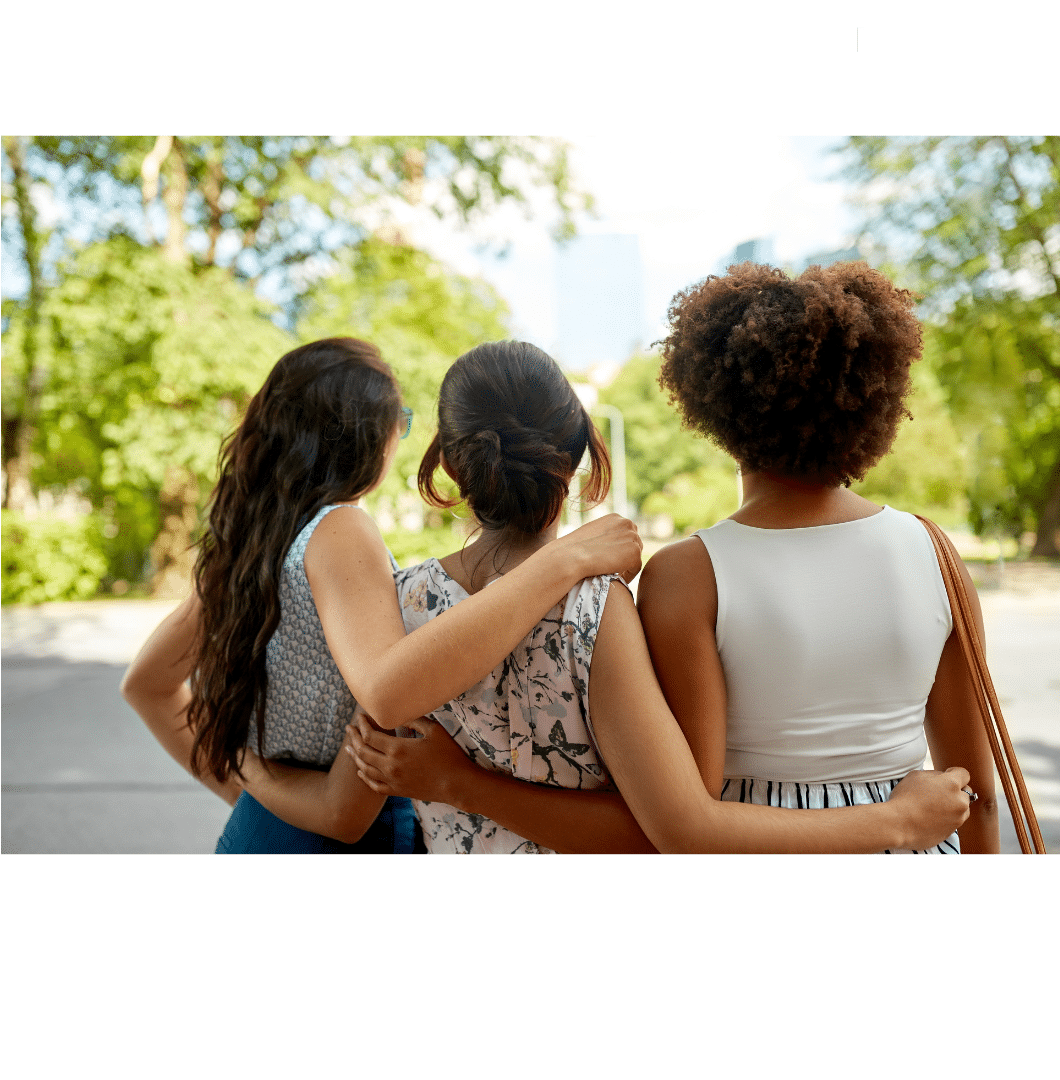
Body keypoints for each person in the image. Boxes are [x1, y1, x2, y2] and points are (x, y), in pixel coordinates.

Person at [261, 340, 973, 854]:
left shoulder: (403, 602)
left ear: (449, 464)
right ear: (577, 460)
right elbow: (664, 830)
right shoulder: (595, 613)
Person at [120, 337, 642, 854]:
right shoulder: (342, 531)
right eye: (403, 420)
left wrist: (248, 778)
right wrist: (562, 559)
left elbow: (147, 684)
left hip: (264, 831)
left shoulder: (249, 543)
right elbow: (349, 795)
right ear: (374, 437)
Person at [634, 261, 998, 853]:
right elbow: (975, 792)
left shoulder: (687, 574)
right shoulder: (934, 551)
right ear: (871, 399)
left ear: (716, 406)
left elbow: (695, 813)